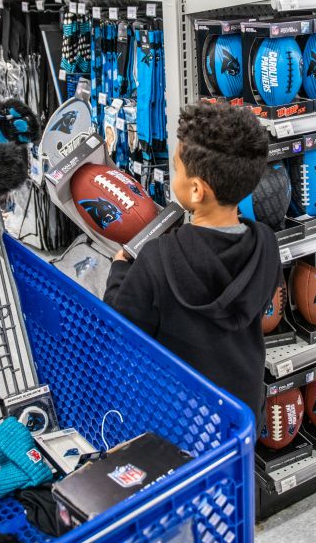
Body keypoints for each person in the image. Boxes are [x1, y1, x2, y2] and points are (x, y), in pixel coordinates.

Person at [103, 103, 280, 417]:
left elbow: (120, 329)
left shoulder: (158, 258)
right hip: (242, 408)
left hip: (181, 415)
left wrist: (119, 268)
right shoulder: (266, 243)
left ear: (197, 190)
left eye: (176, 167)